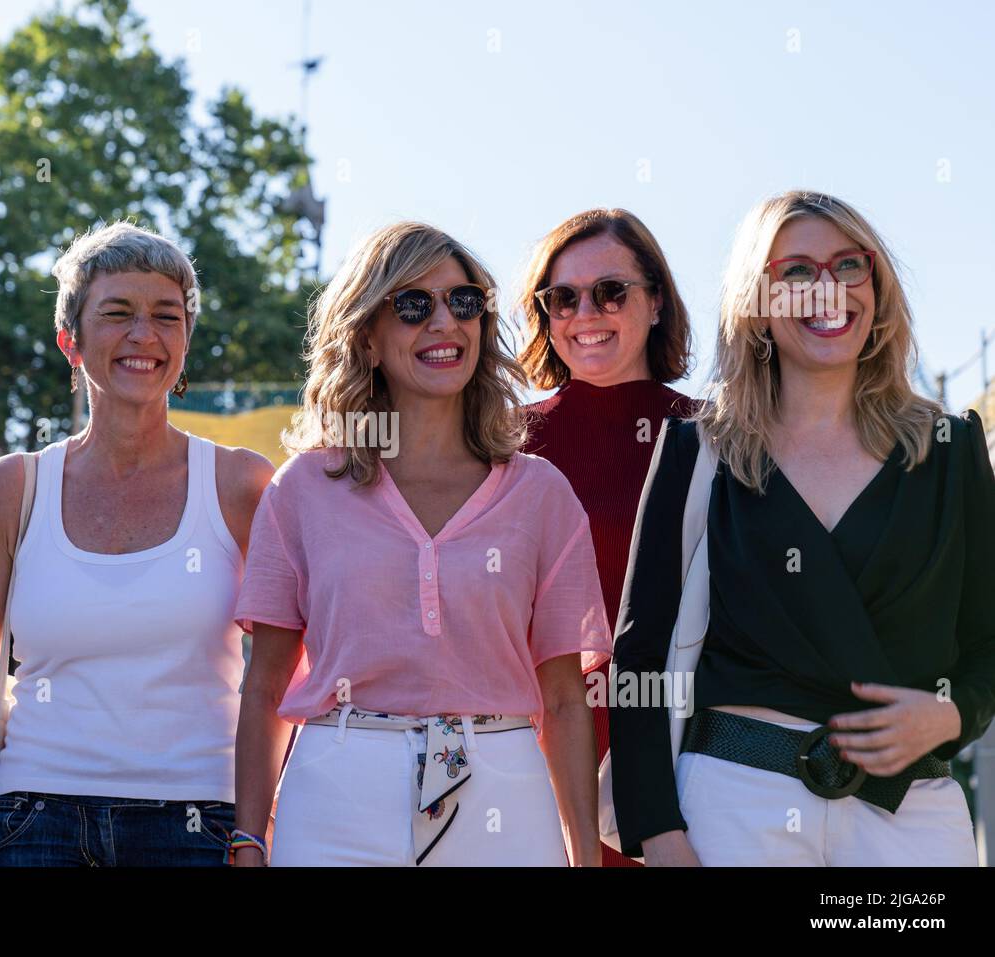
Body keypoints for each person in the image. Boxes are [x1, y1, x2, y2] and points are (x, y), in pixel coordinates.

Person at [610, 190, 995, 866]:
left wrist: (953, 712)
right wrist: (660, 832)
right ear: (756, 304)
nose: (828, 289)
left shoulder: (952, 446)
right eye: (796, 272)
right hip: (734, 807)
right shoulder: (698, 450)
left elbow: (989, 638)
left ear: (876, 288)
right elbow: (639, 659)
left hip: (911, 815)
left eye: (851, 265)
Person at [233, 222, 611, 867]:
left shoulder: (540, 491)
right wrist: (247, 838)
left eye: (464, 302)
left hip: (506, 797)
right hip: (337, 797)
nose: (445, 322)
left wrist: (583, 854)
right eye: (413, 305)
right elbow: (264, 687)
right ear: (368, 339)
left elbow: (564, 699)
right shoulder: (304, 489)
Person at [0, 220, 272, 867]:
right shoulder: (12, 487)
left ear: (185, 341)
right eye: (117, 313)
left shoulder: (240, 483)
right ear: (72, 341)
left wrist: (257, 828)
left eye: (166, 316)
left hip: (199, 826)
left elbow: (279, 676)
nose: (143, 335)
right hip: (33, 822)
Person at [518, 208, 696, 866]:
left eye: (611, 291)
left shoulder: (723, 437)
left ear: (655, 302)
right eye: (563, 297)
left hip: (691, 760)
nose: (585, 312)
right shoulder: (497, 444)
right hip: (530, 770)